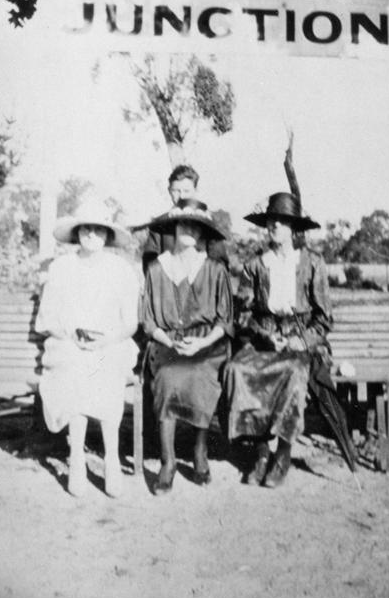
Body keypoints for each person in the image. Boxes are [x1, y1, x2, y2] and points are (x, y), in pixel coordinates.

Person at [223, 191, 332, 488]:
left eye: (282, 221)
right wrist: (265, 335)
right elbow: (241, 313)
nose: (275, 226)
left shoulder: (312, 263)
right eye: (271, 220)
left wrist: (303, 341)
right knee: (239, 370)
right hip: (264, 340)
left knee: (294, 373)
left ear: (294, 228)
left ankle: (282, 454)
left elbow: (324, 319)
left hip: (300, 342)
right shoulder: (256, 264)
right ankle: (260, 453)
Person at [35, 197, 139, 498]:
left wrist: (106, 339)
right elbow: (48, 318)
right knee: (75, 367)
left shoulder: (120, 269)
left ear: (107, 235)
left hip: (111, 342)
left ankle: (111, 458)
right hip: (68, 343)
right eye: (85, 229)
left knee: (105, 366)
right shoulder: (61, 267)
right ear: (77, 233)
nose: (92, 235)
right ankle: (77, 459)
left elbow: (130, 323)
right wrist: (71, 335)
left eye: (99, 229)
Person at [138, 198, 233, 495]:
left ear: (203, 234)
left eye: (196, 226)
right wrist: (170, 341)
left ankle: (199, 452)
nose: (188, 230)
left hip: (207, 343)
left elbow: (226, 319)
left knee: (200, 374)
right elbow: (149, 321)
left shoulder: (215, 269)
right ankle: (168, 462)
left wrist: (201, 343)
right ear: (174, 228)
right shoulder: (156, 269)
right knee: (167, 376)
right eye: (183, 224)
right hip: (167, 341)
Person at [142, 164, 228, 272]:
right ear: (169, 190)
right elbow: (149, 264)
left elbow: (220, 266)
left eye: (186, 191)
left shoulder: (207, 223)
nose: (181, 196)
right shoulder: (160, 225)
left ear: (196, 190)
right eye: (176, 191)